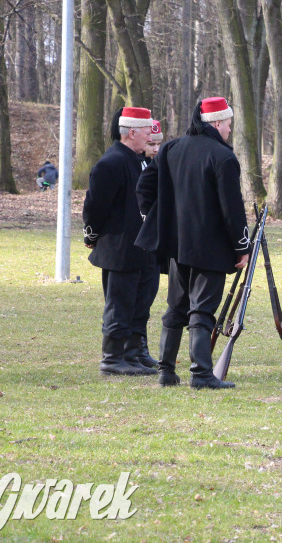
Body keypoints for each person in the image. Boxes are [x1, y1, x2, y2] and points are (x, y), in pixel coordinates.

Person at [136, 97, 249, 389]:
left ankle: (166, 371)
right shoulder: (223, 157)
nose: (228, 131)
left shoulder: (172, 148)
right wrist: (241, 247)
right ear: (215, 123)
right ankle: (200, 374)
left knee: (176, 306)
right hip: (210, 247)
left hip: (177, 245)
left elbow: (145, 186)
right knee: (201, 309)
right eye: (226, 125)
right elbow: (232, 209)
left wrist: (158, 217)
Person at [82, 106, 157, 376]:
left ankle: (131, 353)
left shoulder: (137, 160)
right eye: (147, 130)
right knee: (119, 304)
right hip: (120, 247)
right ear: (132, 132)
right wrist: (91, 234)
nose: (151, 134)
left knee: (138, 302)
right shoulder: (112, 162)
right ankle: (113, 358)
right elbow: (95, 207)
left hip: (140, 247)